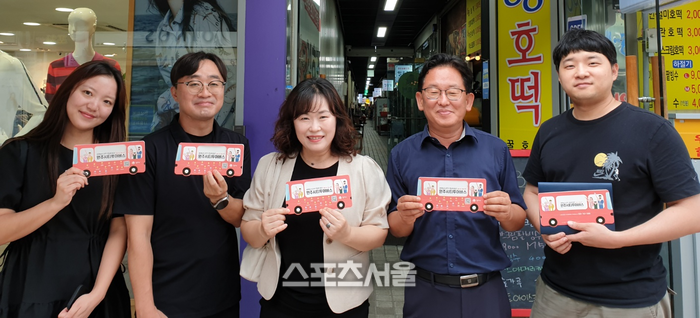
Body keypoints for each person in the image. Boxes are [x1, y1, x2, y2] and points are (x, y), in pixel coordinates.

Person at [522, 29, 700, 318]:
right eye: (569, 65)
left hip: (630, 298)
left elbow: (692, 212)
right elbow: (531, 191)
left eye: (592, 62)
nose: (581, 72)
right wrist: (544, 228)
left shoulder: (653, 131)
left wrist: (617, 239)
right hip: (554, 293)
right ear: (559, 76)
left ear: (614, 70)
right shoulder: (549, 131)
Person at [386, 53, 526, 318]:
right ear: (420, 100)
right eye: (433, 92)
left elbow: (517, 221)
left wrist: (507, 212)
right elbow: (396, 228)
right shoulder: (401, 154)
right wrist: (404, 216)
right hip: (425, 291)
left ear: (468, 100)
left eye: (453, 92)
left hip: (486, 291)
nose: (443, 101)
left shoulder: (496, 150)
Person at [115, 51, 251, 318]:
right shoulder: (149, 150)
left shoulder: (236, 146)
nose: (205, 92)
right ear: (175, 93)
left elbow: (240, 218)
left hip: (221, 295)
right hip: (166, 297)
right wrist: (145, 306)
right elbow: (138, 234)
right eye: (193, 83)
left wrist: (220, 199)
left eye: (214, 83)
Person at [240, 77, 391, 318]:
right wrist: (262, 229)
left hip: (345, 305)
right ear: (292, 122)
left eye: (323, 116)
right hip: (280, 302)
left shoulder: (364, 169)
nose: (314, 127)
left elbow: (378, 233)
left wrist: (347, 234)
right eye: (304, 118)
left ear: (337, 119)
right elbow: (249, 229)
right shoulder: (270, 166)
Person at [0, 60, 131, 318]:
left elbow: (119, 230)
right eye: (87, 92)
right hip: (31, 285)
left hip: (97, 290)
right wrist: (55, 203)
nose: (94, 106)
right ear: (68, 91)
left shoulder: (115, 161)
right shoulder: (19, 152)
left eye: (107, 101)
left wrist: (97, 295)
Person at [143, 0, 237, 131]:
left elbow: (227, 83)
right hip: (179, 124)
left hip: (207, 126)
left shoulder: (204, 16)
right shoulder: (163, 26)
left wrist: (209, 131)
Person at [45, 8, 121, 103]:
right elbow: (50, 105)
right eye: (70, 24)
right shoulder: (55, 67)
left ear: (93, 28)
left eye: (81, 24)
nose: (74, 29)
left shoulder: (111, 66)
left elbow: (116, 104)